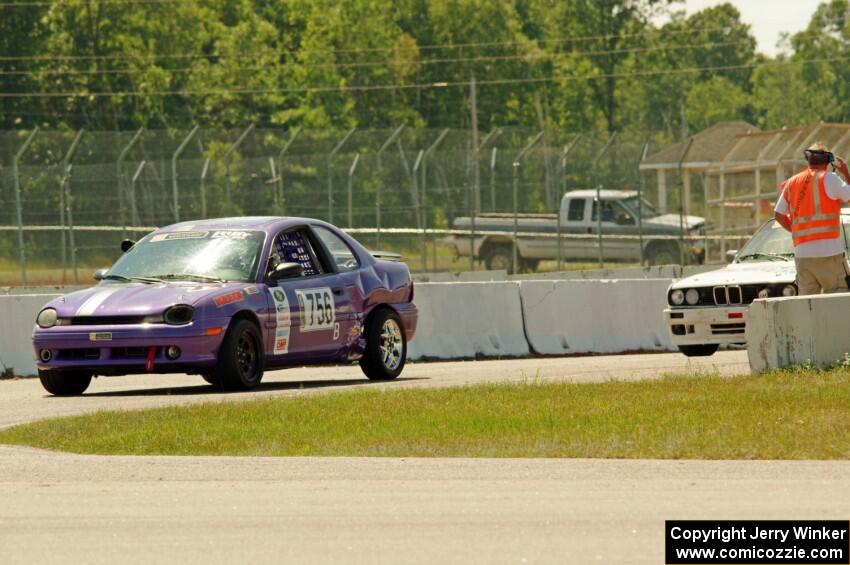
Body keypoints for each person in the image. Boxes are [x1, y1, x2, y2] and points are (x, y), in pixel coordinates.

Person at [774, 142, 850, 295]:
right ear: (829, 160)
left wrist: (795, 230)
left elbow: (778, 214)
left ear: (807, 159)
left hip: (803, 256)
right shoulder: (829, 178)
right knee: (839, 301)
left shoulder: (792, 182)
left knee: (807, 305)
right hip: (829, 254)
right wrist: (846, 173)